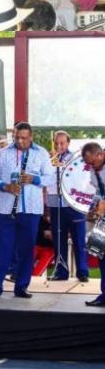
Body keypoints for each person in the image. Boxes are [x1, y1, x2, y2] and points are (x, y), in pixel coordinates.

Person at [0, 122, 54, 298]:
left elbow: (50, 178)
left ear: (31, 137)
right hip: (6, 208)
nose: (20, 141)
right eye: (17, 137)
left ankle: (21, 286)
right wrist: (4, 186)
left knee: (26, 249)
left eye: (23, 138)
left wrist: (34, 179)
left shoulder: (42, 154)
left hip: (30, 209)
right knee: (1, 248)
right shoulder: (3, 153)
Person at [46, 130, 89, 282]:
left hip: (74, 204)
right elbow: (46, 180)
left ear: (68, 143)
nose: (59, 146)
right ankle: (61, 271)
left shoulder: (77, 159)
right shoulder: (49, 159)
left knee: (79, 239)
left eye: (62, 143)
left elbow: (82, 180)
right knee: (58, 238)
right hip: (55, 204)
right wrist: (50, 165)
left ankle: (82, 272)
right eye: (57, 143)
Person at [79, 143, 105, 307]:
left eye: (92, 163)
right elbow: (97, 193)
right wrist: (93, 208)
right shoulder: (94, 171)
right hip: (102, 219)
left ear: (100, 155)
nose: (90, 166)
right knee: (100, 254)